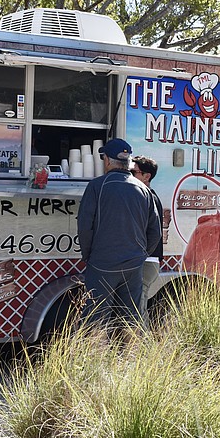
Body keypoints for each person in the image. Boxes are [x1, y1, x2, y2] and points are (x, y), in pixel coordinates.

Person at [77, 138, 161, 330]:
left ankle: (93, 358)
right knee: (131, 320)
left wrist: (89, 255)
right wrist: (140, 254)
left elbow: (84, 227)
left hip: (102, 263)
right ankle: (133, 359)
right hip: (134, 264)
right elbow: (155, 232)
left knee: (95, 320)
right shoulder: (143, 189)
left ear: (107, 160)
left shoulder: (97, 186)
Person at [132, 155, 163, 327]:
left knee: (138, 307)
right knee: (137, 304)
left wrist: (141, 253)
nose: (129, 175)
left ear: (146, 176)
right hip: (150, 259)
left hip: (147, 260)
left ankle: (143, 347)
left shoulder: (146, 196)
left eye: (133, 172)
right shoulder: (150, 195)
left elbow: (152, 232)